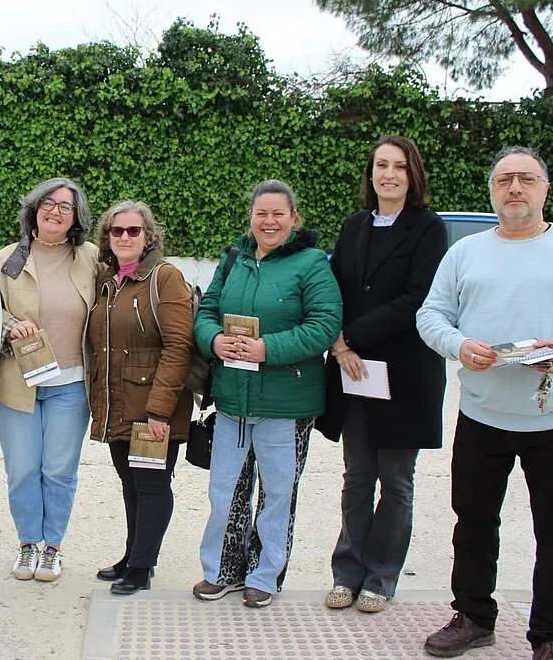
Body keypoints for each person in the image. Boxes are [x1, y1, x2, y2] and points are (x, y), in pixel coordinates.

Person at [417, 146, 553, 660]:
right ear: (492, 190)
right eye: (505, 179)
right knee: (473, 523)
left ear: (545, 188)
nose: (515, 188)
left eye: (526, 179)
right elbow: (432, 315)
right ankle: (473, 616)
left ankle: (552, 634)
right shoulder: (465, 253)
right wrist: (459, 345)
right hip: (482, 413)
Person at [193, 180, 341, 607]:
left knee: (277, 494)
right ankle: (221, 570)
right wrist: (215, 341)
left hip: (286, 403)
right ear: (251, 218)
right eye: (262, 213)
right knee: (226, 491)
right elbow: (206, 309)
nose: (269, 221)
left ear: (294, 219)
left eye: (279, 214)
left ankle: (264, 574)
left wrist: (268, 349)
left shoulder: (312, 264)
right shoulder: (234, 259)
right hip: (234, 401)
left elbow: (324, 324)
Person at [315, 135, 448, 613]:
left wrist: (350, 337)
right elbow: (335, 288)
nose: (388, 174)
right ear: (370, 174)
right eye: (380, 165)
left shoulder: (429, 229)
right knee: (356, 477)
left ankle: (381, 576)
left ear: (413, 175)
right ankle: (346, 571)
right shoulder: (353, 226)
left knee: (395, 481)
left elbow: (418, 299)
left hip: (406, 374)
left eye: (398, 166)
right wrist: (335, 339)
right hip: (353, 371)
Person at [0, 177, 98, 582]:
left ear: (76, 217)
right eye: (49, 203)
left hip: (71, 384)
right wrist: (9, 325)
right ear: (34, 209)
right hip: (17, 382)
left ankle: (52, 547)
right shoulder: (7, 259)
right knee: (21, 468)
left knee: (58, 470)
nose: (55, 211)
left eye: (66, 207)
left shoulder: (89, 257)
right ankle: (27, 544)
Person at [87, 200, 194, 595]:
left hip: (151, 409)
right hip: (118, 405)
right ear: (108, 237)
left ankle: (142, 566)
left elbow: (179, 345)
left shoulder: (164, 277)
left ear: (149, 236)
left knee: (150, 485)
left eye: (134, 231)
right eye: (117, 231)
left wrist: (159, 410)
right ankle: (133, 554)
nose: (125, 237)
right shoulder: (109, 280)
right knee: (130, 484)